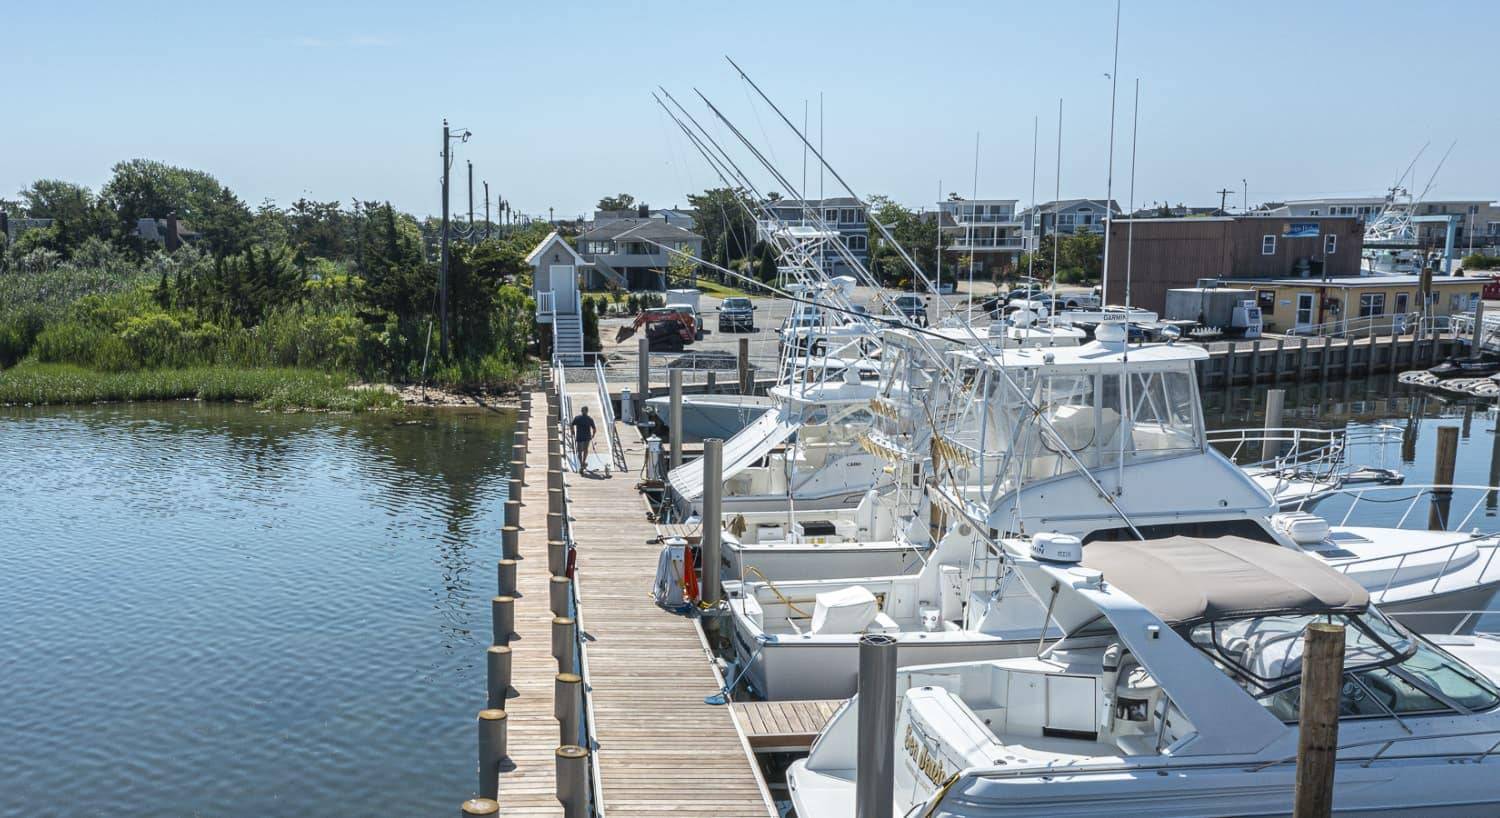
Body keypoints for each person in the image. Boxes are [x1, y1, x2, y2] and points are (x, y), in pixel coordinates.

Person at [570, 406, 597, 471]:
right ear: (587, 411)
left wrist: (572, 431)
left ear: (581, 411)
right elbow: (594, 428)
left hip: (580, 436)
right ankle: (583, 462)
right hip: (587, 437)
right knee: (585, 450)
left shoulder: (577, 418)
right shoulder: (590, 419)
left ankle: (582, 464)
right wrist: (593, 435)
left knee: (580, 451)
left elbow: (571, 424)